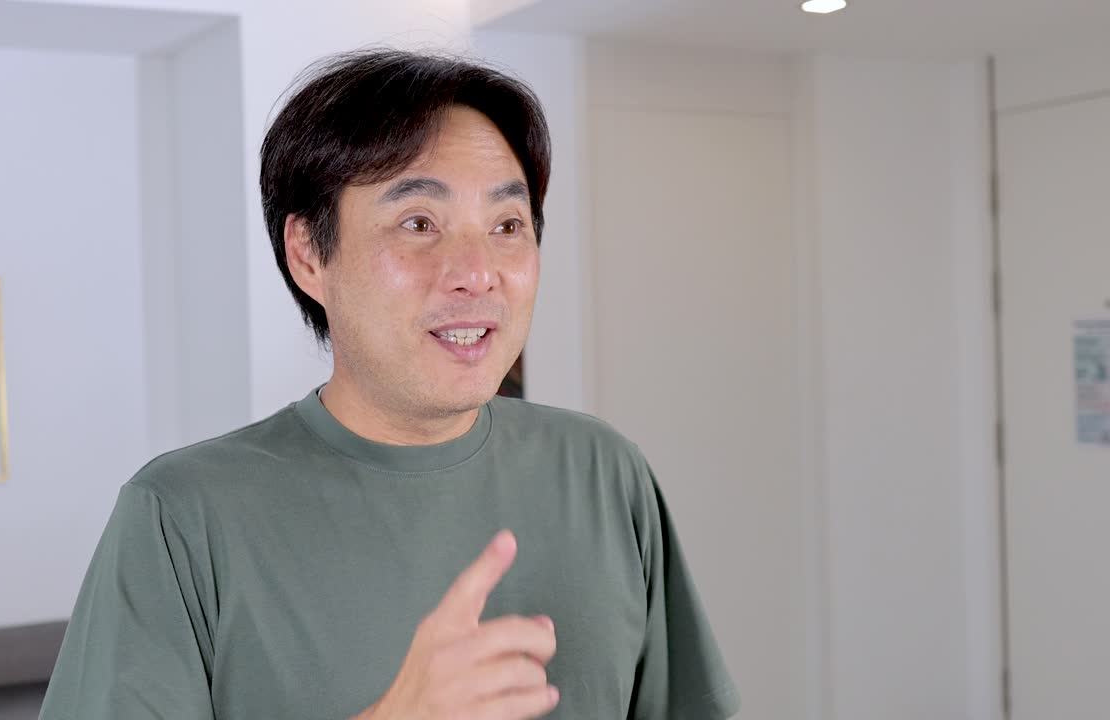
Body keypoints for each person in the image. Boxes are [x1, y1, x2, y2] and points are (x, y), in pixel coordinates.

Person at [40, 49, 740, 720]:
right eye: (418, 223)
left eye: (507, 224)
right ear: (308, 255)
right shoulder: (181, 517)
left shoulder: (604, 472)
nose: (477, 272)